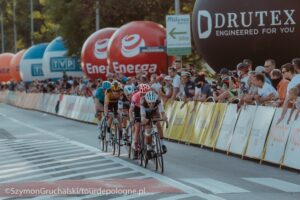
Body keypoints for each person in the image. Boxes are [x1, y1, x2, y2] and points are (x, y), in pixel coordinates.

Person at [141, 91, 168, 157]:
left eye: (153, 103)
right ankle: (148, 148)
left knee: (158, 123)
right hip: (146, 114)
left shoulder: (158, 101)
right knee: (148, 130)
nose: (151, 105)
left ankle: (162, 144)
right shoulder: (143, 102)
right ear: (146, 101)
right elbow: (143, 116)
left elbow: (162, 113)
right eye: (149, 103)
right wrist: (144, 119)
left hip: (154, 112)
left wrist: (165, 118)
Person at [129, 84, 151, 159]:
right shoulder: (135, 96)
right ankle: (135, 147)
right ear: (140, 92)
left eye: (146, 94)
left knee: (148, 125)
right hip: (137, 109)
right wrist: (131, 118)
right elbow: (131, 110)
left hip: (146, 107)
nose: (144, 96)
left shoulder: (150, 96)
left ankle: (149, 143)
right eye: (143, 94)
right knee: (137, 127)